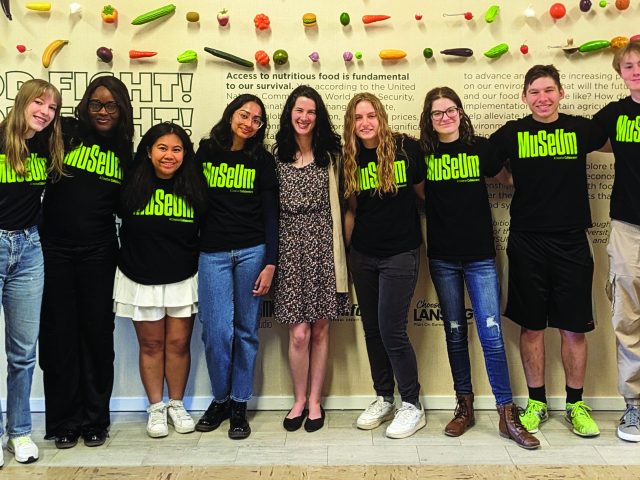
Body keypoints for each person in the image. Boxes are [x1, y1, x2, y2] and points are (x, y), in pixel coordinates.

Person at [489, 65, 607, 438]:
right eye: (535, 92)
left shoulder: (579, 129)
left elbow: (615, 140)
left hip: (572, 240)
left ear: (561, 93)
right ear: (524, 97)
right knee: (533, 326)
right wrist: (514, 178)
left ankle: (575, 404)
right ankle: (537, 401)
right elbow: (487, 164)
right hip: (527, 241)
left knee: (574, 328)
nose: (542, 97)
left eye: (549, 90)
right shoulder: (512, 132)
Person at [418, 87, 539, 449]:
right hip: (442, 258)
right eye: (437, 113)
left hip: (480, 257)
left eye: (450, 110)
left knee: (490, 334)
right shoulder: (424, 154)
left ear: (460, 112)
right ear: (429, 119)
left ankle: (506, 413)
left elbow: (507, 177)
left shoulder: (482, 148)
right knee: (455, 332)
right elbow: (420, 191)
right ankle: (464, 406)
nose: (445, 117)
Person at [39, 76, 134, 449]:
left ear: (122, 109)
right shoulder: (63, 131)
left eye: (111, 105)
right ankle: (64, 421)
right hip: (53, 250)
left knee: (96, 337)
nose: (103, 112)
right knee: (59, 338)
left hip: (99, 252)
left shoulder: (126, 151)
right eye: (96, 104)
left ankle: (95, 420)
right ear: (84, 106)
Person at [115, 122, 207, 438]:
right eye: (163, 148)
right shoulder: (131, 182)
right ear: (149, 151)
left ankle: (177, 404)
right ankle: (156, 407)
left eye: (177, 149)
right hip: (139, 276)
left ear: (185, 154)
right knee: (151, 344)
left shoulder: (195, 184)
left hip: (182, 276)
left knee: (179, 344)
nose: (169, 155)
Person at [195, 94, 278, 440]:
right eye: (244, 114)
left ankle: (239, 404)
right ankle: (221, 398)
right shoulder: (206, 151)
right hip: (212, 253)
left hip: (251, 252)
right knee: (217, 333)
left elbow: (272, 213)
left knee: (245, 331)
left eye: (256, 119)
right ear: (231, 115)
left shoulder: (261, 159)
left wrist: (271, 262)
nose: (249, 122)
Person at [343, 92, 425, 439]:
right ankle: (384, 397)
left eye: (371, 115)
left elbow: (425, 195)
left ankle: (413, 404)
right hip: (363, 254)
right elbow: (351, 211)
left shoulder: (406, 148)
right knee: (373, 330)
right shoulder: (349, 158)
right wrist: (345, 257)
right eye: (358, 117)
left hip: (400, 253)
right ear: (351, 124)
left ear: (382, 117)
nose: (365, 123)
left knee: (392, 329)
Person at [272, 85, 349, 433]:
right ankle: (298, 399)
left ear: (319, 117)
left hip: (323, 246)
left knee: (320, 329)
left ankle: (315, 401)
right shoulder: (275, 156)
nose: (304, 117)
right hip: (289, 249)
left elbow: (347, 207)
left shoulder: (332, 155)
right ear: (290, 114)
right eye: (299, 111)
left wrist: (342, 253)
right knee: (298, 333)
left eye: (311, 112)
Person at [0, 79, 64, 464]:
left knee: (23, 352)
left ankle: (19, 432)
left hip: (29, 250)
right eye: (39, 103)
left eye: (52, 107)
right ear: (23, 101)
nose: (44, 111)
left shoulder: (45, 145)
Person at [592, 40, 640, 442]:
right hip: (628, 228)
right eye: (628, 66)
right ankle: (635, 407)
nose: (636, 71)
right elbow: (572, 137)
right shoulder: (614, 115)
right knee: (628, 319)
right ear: (620, 73)